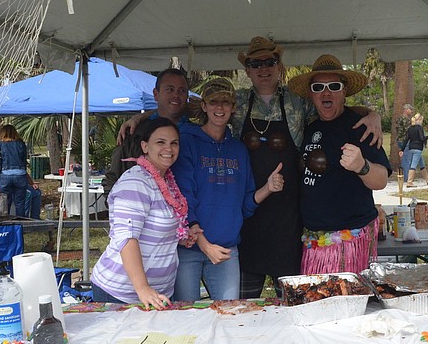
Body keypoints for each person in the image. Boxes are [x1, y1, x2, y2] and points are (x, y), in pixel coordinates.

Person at [232, 36, 383, 299]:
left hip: (292, 225)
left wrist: (373, 116)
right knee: (245, 308)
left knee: (304, 306)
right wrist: (145, 118)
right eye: (256, 63)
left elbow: (339, 109)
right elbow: (191, 112)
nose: (264, 68)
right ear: (248, 70)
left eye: (271, 61)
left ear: (280, 66)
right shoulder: (234, 103)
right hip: (250, 219)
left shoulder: (298, 102)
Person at [171, 78, 284, 301]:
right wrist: (204, 245)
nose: (219, 107)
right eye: (213, 102)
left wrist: (268, 188)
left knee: (230, 317)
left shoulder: (239, 150)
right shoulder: (187, 142)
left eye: (225, 102)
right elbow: (183, 199)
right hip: (189, 249)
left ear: (233, 108)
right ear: (204, 106)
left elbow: (244, 204)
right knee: (185, 319)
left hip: (226, 251)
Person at [288, 54, 391, 275]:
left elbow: (381, 179)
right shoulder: (307, 128)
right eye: (318, 87)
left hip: (348, 240)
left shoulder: (360, 127)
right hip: (312, 241)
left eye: (333, 86)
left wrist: (361, 166)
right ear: (311, 94)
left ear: (343, 91)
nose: (326, 92)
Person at [91, 118, 189, 308]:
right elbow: (127, 237)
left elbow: (155, 228)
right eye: (160, 142)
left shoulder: (167, 180)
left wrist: (182, 236)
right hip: (121, 293)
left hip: (159, 292)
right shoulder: (135, 182)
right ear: (145, 146)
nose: (168, 149)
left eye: (174, 143)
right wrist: (142, 288)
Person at [104, 68, 194, 195]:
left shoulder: (196, 135)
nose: (176, 95)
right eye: (170, 89)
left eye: (182, 91)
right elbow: (113, 177)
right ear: (156, 94)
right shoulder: (135, 133)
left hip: (186, 210)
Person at [0, 125, 38, 218]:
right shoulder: (21, 144)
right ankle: (20, 223)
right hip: (20, 176)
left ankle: (6, 224)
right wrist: (31, 182)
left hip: (5, 176)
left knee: (5, 203)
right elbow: (23, 164)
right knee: (20, 202)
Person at [403, 112, 428, 187]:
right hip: (418, 148)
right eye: (422, 120)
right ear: (419, 120)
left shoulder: (410, 128)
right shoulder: (419, 127)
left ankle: (427, 179)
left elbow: (406, 139)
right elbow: (422, 138)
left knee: (421, 164)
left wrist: (402, 149)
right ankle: (409, 182)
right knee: (413, 165)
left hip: (411, 148)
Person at [395, 103, 414, 179]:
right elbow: (408, 131)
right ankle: (406, 178)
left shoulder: (399, 118)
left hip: (399, 140)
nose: (411, 111)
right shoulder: (405, 119)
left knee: (403, 158)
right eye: (410, 110)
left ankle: (402, 176)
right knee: (406, 159)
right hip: (405, 141)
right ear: (406, 110)